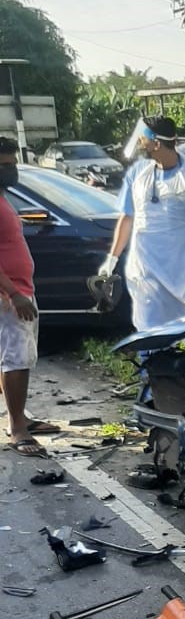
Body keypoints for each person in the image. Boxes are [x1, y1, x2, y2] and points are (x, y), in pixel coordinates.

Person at [99, 116, 185, 332]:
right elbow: (127, 218)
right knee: (148, 332)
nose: (140, 143)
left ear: (156, 143)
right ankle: (150, 365)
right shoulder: (137, 174)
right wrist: (112, 259)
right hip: (146, 273)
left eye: (143, 138)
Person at [0, 137, 51, 457]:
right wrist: (14, 293)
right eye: (4, 165)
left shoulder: (3, 199)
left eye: (12, 164)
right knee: (17, 360)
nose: (11, 170)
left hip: (18, 289)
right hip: (10, 295)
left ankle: (17, 417)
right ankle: (18, 428)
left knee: (12, 356)